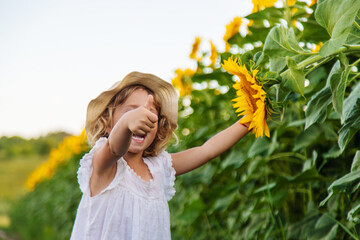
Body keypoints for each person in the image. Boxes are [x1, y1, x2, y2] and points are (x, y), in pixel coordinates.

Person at [70, 71, 249, 240]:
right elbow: (115, 148)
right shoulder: (106, 166)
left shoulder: (159, 167)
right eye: (131, 111)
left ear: (158, 127)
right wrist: (126, 123)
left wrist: (248, 121)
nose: (142, 118)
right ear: (108, 124)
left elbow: (206, 151)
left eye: (150, 114)